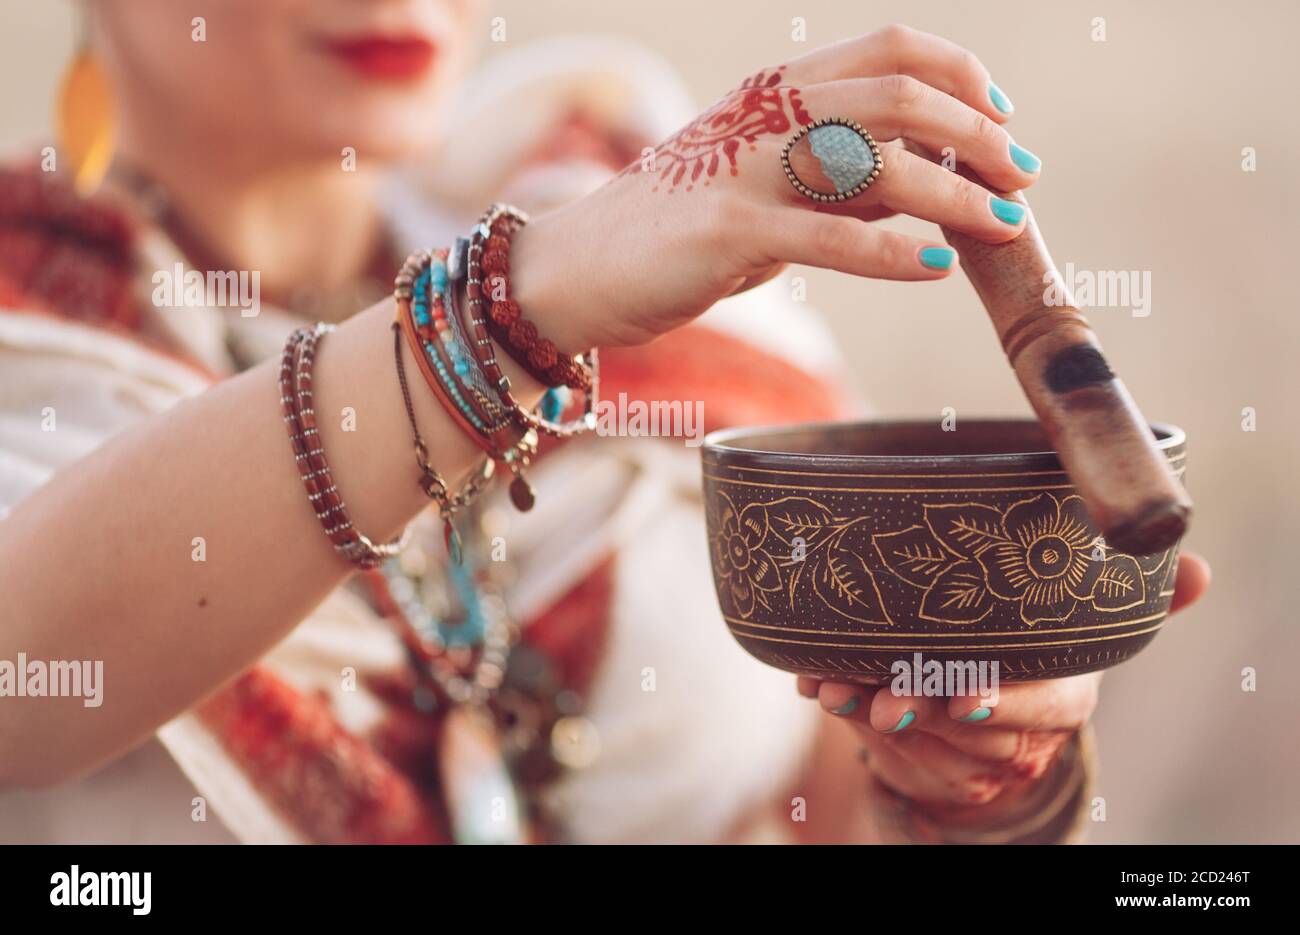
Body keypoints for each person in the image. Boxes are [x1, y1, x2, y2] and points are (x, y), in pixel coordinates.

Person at [0, 1, 1209, 843]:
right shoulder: (592, 253)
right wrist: (512, 308)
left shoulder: (599, 198)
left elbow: (821, 802)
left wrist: (979, 788)